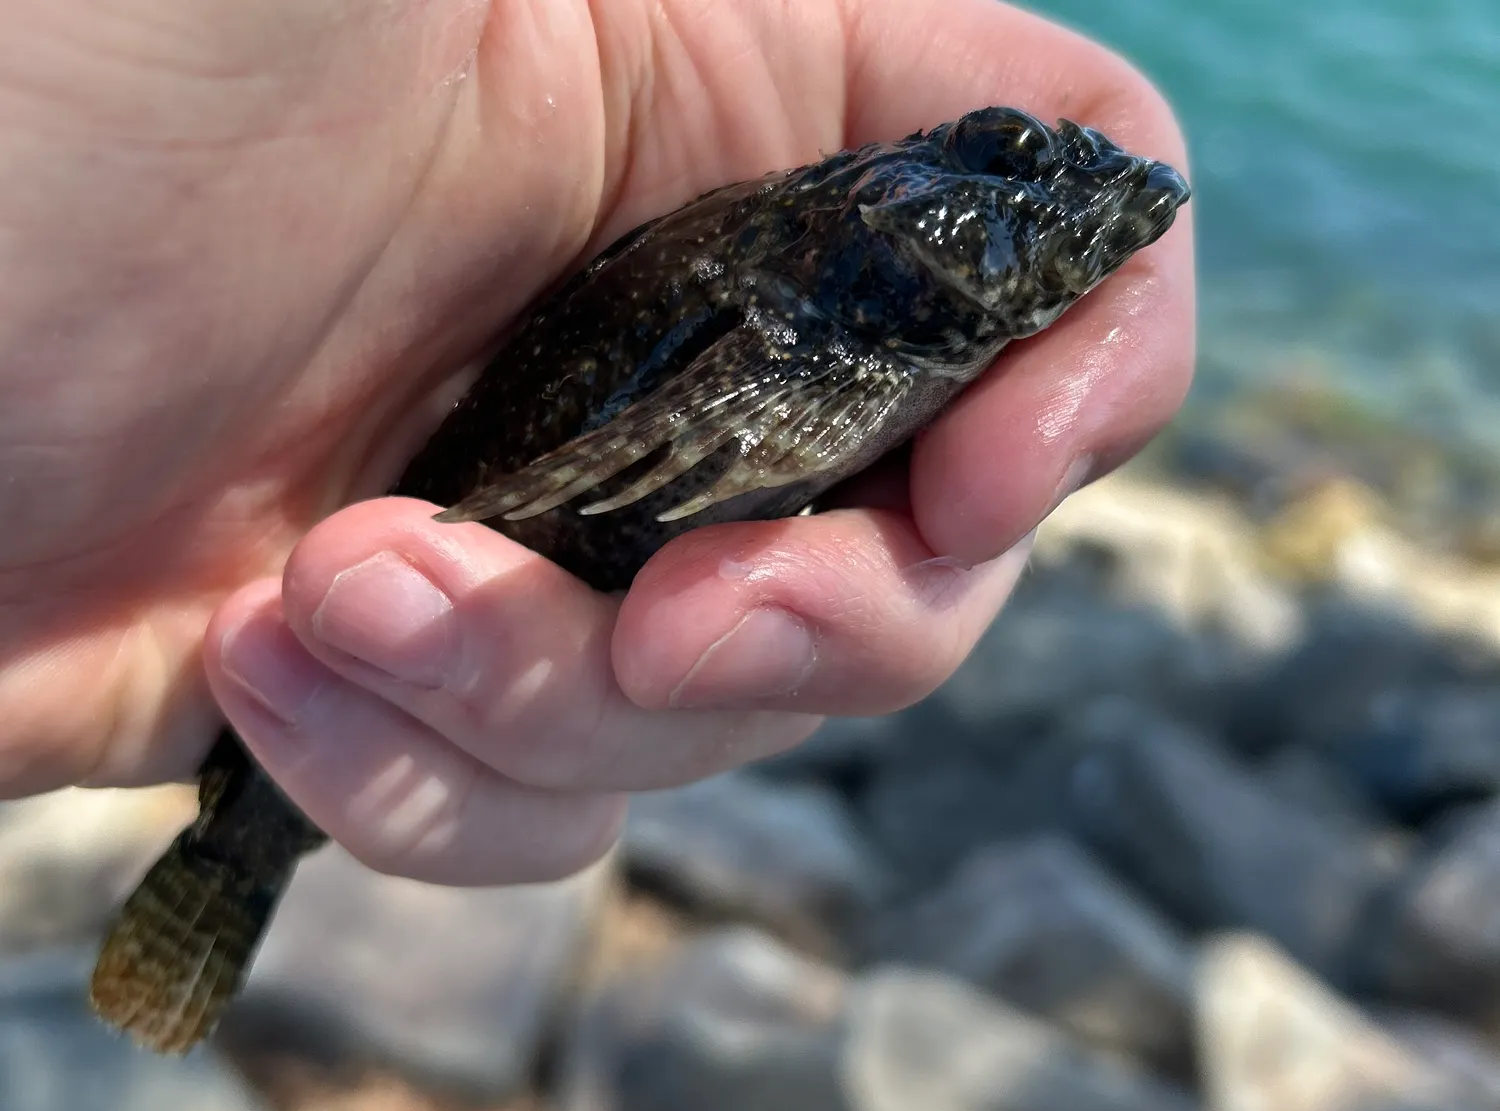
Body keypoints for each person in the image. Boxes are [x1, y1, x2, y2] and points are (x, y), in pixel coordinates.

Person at [0, 0, 1193, 887]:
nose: (1077, 197)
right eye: (1025, 170)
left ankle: (233, 862)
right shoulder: (837, 304)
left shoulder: (831, 261)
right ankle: (232, 865)